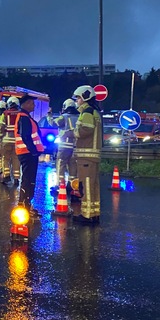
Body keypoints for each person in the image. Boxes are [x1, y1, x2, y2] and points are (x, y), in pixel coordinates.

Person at [71, 85, 103, 225]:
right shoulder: (94, 112)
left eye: (78, 97)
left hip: (86, 155)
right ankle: (94, 213)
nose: (77, 100)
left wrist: (73, 133)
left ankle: (87, 215)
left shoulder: (87, 113)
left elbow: (86, 130)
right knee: (94, 185)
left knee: (87, 185)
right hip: (92, 155)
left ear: (85, 97)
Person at [15, 94, 44, 214]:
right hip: (27, 153)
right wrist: (33, 151)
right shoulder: (24, 117)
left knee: (28, 179)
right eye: (32, 103)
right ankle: (25, 205)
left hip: (27, 152)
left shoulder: (25, 117)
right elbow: (26, 136)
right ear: (25, 104)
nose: (34, 105)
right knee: (28, 180)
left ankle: (25, 204)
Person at [47, 98, 81, 198]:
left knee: (60, 166)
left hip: (64, 147)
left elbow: (53, 123)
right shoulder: (79, 117)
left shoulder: (64, 117)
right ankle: (73, 186)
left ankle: (59, 186)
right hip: (75, 147)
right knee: (73, 168)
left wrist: (49, 115)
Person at [0, 96, 21, 185]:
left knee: (5, 158)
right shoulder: (20, 114)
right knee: (16, 159)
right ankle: (16, 178)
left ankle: (6, 176)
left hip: (6, 140)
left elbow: (1, 127)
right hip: (17, 141)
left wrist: (0, 137)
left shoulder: (5, 113)